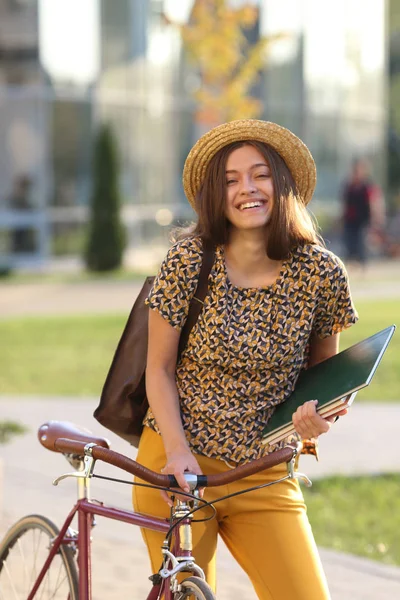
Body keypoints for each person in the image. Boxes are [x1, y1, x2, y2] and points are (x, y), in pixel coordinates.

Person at [133, 119, 358, 599]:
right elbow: (158, 369)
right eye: (231, 179)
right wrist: (176, 452)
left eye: (259, 174)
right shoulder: (188, 260)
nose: (246, 189)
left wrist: (322, 415)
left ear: (282, 182)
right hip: (177, 466)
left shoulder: (322, 273)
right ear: (217, 194)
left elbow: (325, 380)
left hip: (265, 472)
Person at [341, 158, 373, 267]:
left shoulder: (366, 187)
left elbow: (372, 203)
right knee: (349, 242)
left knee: (361, 242)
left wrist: (374, 219)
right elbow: (345, 203)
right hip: (350, 220)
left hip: (362, 220)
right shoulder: (349, 187)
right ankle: (351, 263)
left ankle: (362, 265)